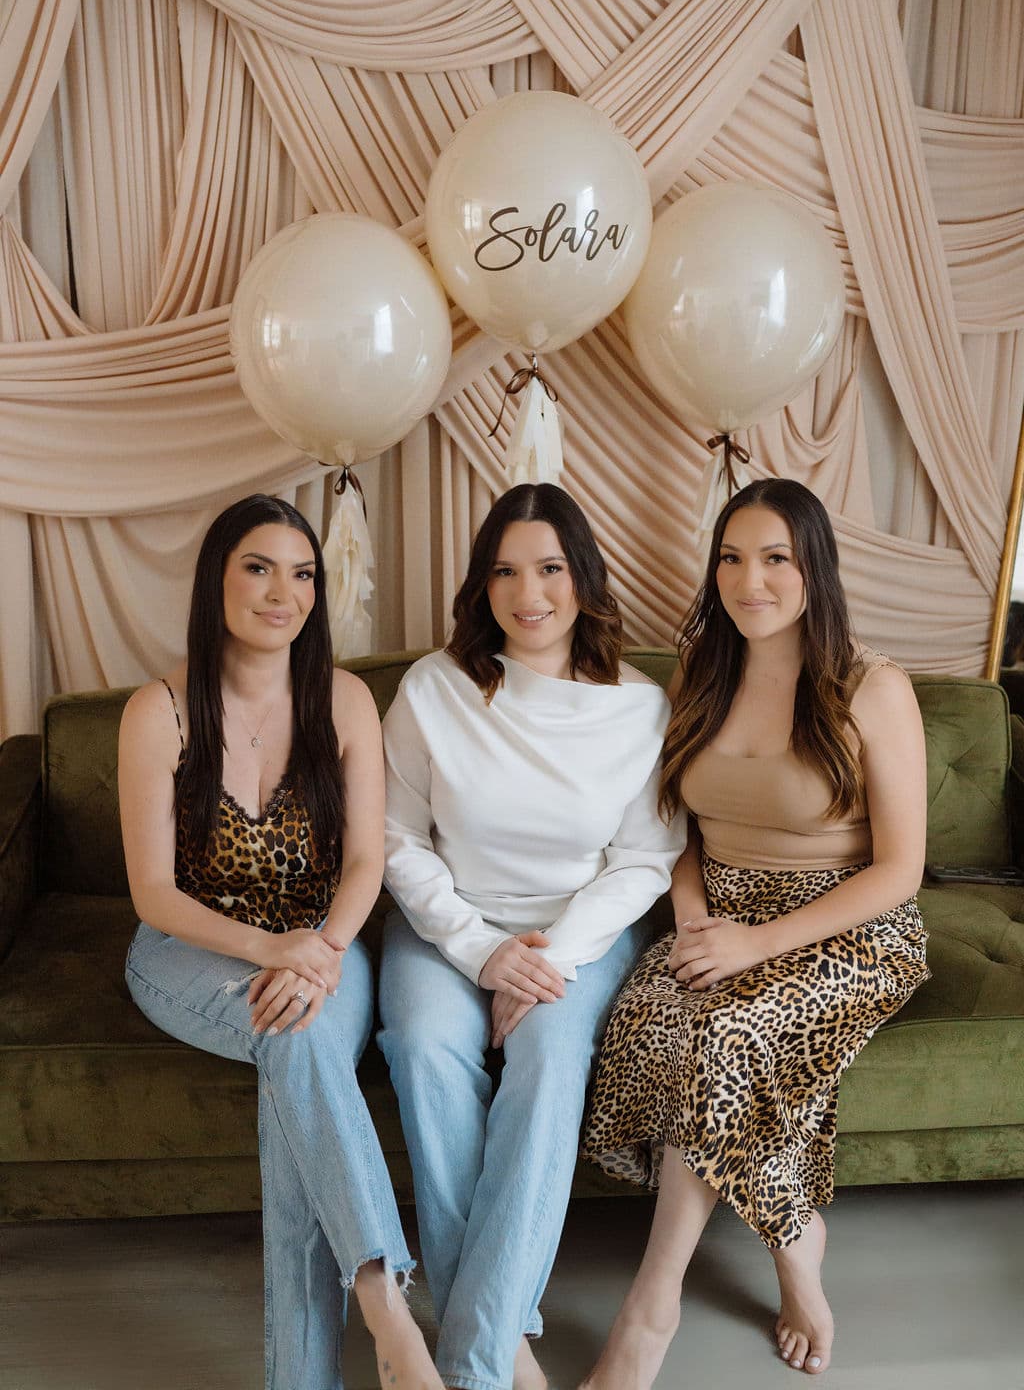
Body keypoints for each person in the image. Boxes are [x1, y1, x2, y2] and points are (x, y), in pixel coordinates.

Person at [581, 478, 930, 1386]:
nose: (751, 580)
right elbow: (678, 831)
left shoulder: (872, 686)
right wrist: (695, 918)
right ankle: (796, 1235)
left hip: (848, 923)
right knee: (649, 1021)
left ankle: (650, 1307)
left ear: (815, 565)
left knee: (727, 1036)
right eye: (732, 557)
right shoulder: (701, 668)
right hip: (718, 911)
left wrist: (757, 946)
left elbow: (898, 871)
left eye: (776, 557)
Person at [119, 493, 443, 1390]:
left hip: (325, 947)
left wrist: (325, 948)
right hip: (190, 950)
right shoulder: (160, 711)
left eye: (303, 574)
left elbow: (368, 861)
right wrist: (270, 951)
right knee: (288, 1028)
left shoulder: (342, 700)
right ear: (216, 582)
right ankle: (390, 1313)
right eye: (258, 569)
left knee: (295, 1044)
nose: (283, 593)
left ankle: (334, 1350)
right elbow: (153, 894)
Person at [377, 482, 688, 1390]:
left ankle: (473, 1354)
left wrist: (544, 957)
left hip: (573, 938)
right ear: (482, 587)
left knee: (551, 1056)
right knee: (428, 1051)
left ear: (583, 578)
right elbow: (396, 840)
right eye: (506, 571)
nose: (530, 593)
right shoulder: (434, 689)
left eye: (550, 568)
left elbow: (643, 858)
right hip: (447, 928)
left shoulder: (640, 706)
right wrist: (481, 951)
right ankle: (503, 1335)